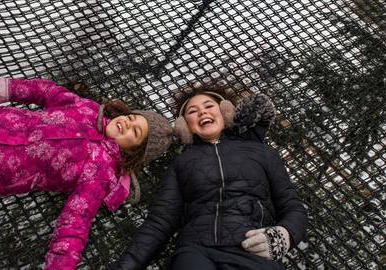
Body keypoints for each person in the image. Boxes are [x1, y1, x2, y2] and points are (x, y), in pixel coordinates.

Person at [0, 77, 173, 270]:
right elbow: (46, 91)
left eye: (134, 132)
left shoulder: (100, 171)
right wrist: (1, 90)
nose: (127, 123)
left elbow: (75, 222)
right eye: (133, 118)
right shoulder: (88, 109)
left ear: (133, 153)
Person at [109, 84, 308, 270]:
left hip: (254, 248)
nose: (202, 112)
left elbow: (292, 206)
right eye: (192, 112)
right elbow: (159, 222)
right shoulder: (181, 163)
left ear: (225, 111)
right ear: (185, 126)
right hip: (196, 251)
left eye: (208, 106)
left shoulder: (263, 152)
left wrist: (284, 235)